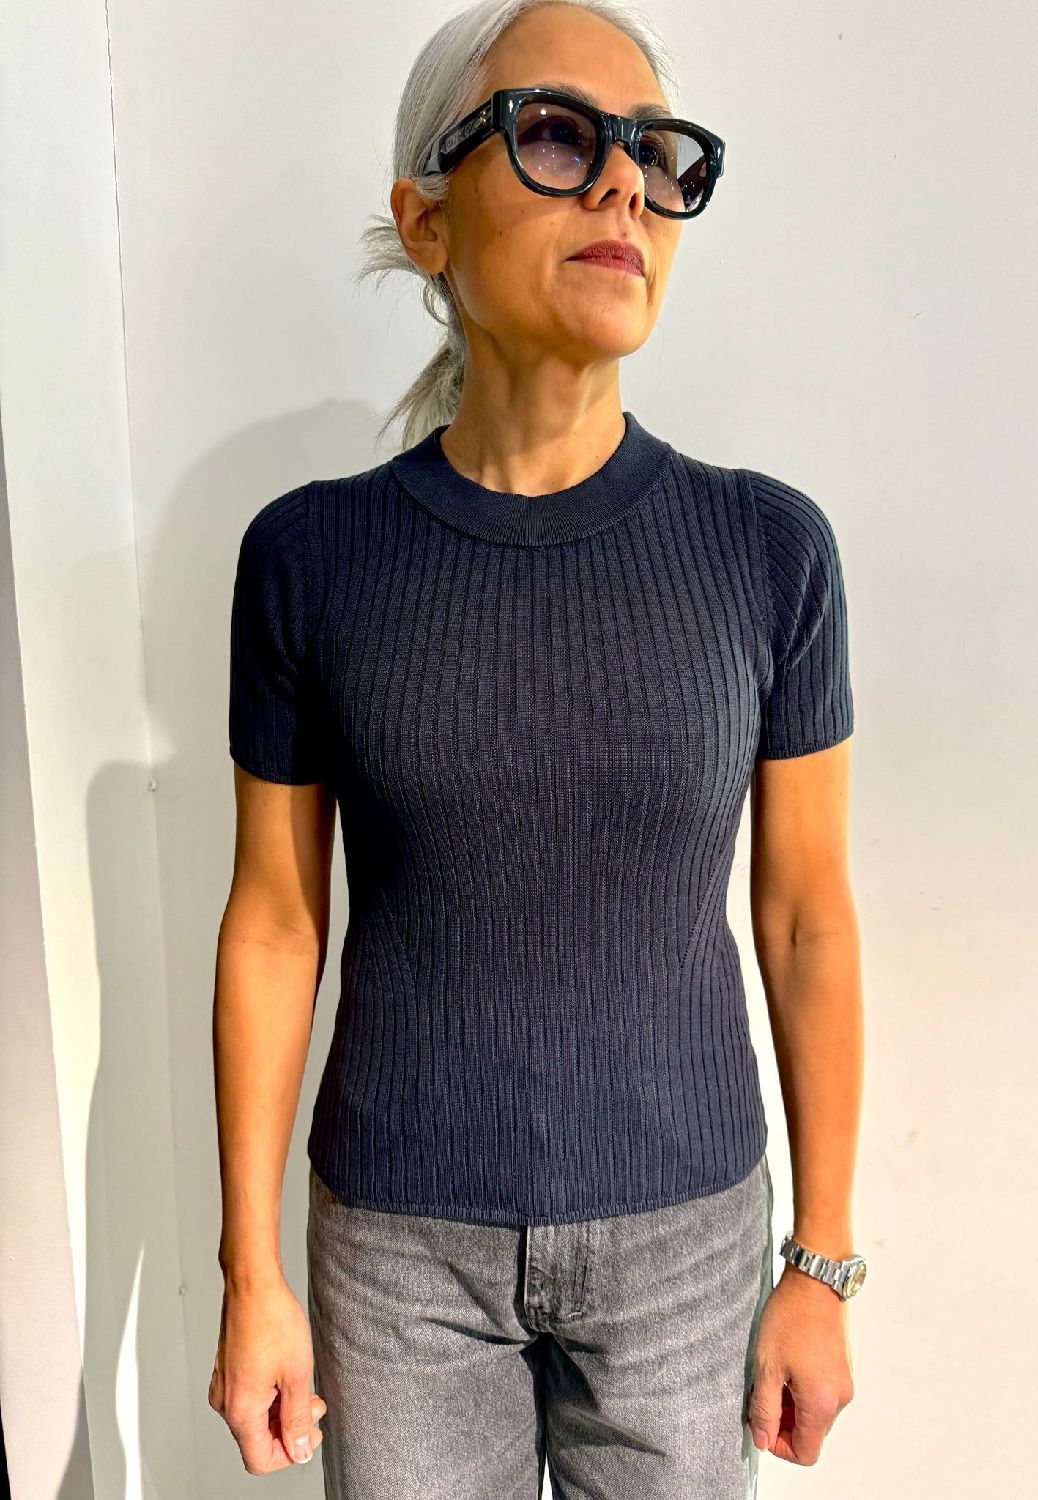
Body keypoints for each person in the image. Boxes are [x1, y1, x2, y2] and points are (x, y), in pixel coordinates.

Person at [209, 0, 864, 1495]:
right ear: (425, 221)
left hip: (691, 1244)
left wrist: (821, 1259)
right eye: (559, 136)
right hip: (397, 1260)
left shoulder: (767, 551)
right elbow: (274, 923)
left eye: (657, 153)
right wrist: (253, 1274)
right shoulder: (310, 560)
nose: (626, 182)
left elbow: (806, 917)